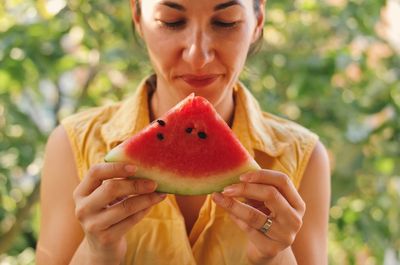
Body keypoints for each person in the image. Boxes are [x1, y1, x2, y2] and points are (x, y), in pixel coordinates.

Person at [36, 0, 331, 264]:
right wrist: (98, 252)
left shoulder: (302, 156)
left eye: (225, 22)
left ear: (258, 21)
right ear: (138, 17)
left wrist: (272, 257)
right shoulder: (74, 143)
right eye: (171, 21)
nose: (198, 56)